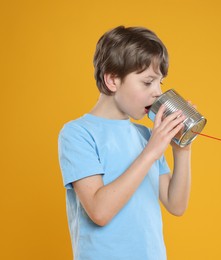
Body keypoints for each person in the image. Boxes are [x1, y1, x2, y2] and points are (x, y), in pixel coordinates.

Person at [58, 25, 192, 260]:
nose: (157, 93)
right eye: (147, 82)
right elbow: (99, 212)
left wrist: (182, 150)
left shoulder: (146, 136)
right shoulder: (77, 133)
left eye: (160, 82)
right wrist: (150, 153)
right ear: (112, 80)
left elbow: (176, 205)